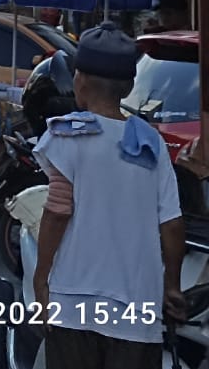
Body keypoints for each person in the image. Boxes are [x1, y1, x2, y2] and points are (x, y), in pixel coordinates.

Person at [32, 21, 185, 367]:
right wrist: (171, 285)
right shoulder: (151, 142)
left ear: (80, 81)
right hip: (137, 309)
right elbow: (172, 225)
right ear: (129, 86)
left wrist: (41, 279)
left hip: (74, 303)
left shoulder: (67, 134)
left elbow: (57, 211)